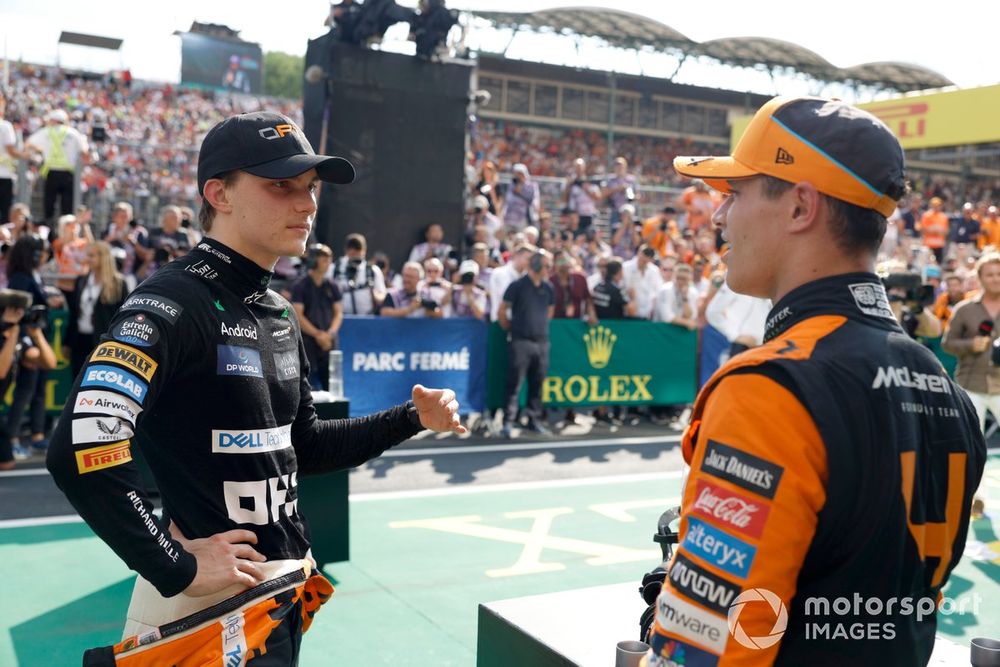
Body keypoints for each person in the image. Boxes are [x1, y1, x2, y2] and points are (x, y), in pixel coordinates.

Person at [46, 111, 465, 666]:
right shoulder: (169, 302)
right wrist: (175, 562)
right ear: (218, 193)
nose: (307, 203)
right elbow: (80, 445)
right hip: (209, 611)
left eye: (310, 188)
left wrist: (410, 419)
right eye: (281, 186)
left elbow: (304, 445)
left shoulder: (278, 313)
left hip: (279, 599)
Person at [645, 96, 985, 666]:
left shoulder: (769, 388)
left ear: (801, 206)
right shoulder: (946, 391)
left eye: (737, 193)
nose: (720, 215)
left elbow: (712, 644)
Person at [498, 249, 554, 439]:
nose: (548, 269)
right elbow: (503, 311)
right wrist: (513, 330)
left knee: (537, 384)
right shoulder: (517, 285)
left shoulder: (548, 288)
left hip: (541, 342)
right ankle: (508, 421)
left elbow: (550, 311)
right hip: (521, 341)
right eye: (546, 265)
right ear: (536, 265)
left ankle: (533, 420)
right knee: (514, 383)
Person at [64, 241, 130, 379]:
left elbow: (123, 317)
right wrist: (67, 343)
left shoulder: (118, 283)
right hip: (79, 340)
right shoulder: (81, 280)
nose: (87, 259)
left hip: (104, 342)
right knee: (77, 381)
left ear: (103, 257)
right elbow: (74, 313)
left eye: (91, 255)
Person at [290, 243, 343, 391]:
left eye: (329, 259)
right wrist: (318, 335)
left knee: (332, 386)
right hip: (308, 343)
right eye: (324, 259)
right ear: (313, 261)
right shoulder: (300, 286)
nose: (328, 263)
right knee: (306, 386)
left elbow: (338, 313)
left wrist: (330, 334)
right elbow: (298, 315)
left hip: (329, 342)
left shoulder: (333, 286)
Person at [25, 109, 90, 223]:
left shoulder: (45, 132)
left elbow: (29, 143)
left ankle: (48, 232)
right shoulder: (73, 133)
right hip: (68, 175)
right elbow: (85, 151)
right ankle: (67, 232)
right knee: (67, 210)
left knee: (48, 207)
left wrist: (41, 149)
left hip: (51, 174)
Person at [331, 232, 385, 315]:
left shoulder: (373, 270)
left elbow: (382, 294)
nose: (356, 258)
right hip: (340, 319)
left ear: (364, 251)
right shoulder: (334, 268)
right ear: (346, 251)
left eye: (359, 254)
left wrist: (377, 296)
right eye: (353, 254)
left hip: (367, 319)